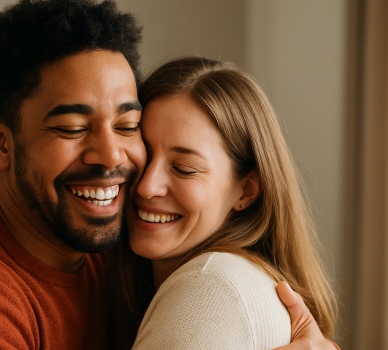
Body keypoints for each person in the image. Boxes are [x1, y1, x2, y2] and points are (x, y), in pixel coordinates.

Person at [0, 0, 337, 349]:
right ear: (0, 143)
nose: (110, 155)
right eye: (73, 128)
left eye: (127, 126)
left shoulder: (119, 250)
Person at [109, 57, 338, 349]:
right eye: (144, 154)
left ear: (246, 191)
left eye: (184, 169)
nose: (146, 186)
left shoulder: (208, 289)